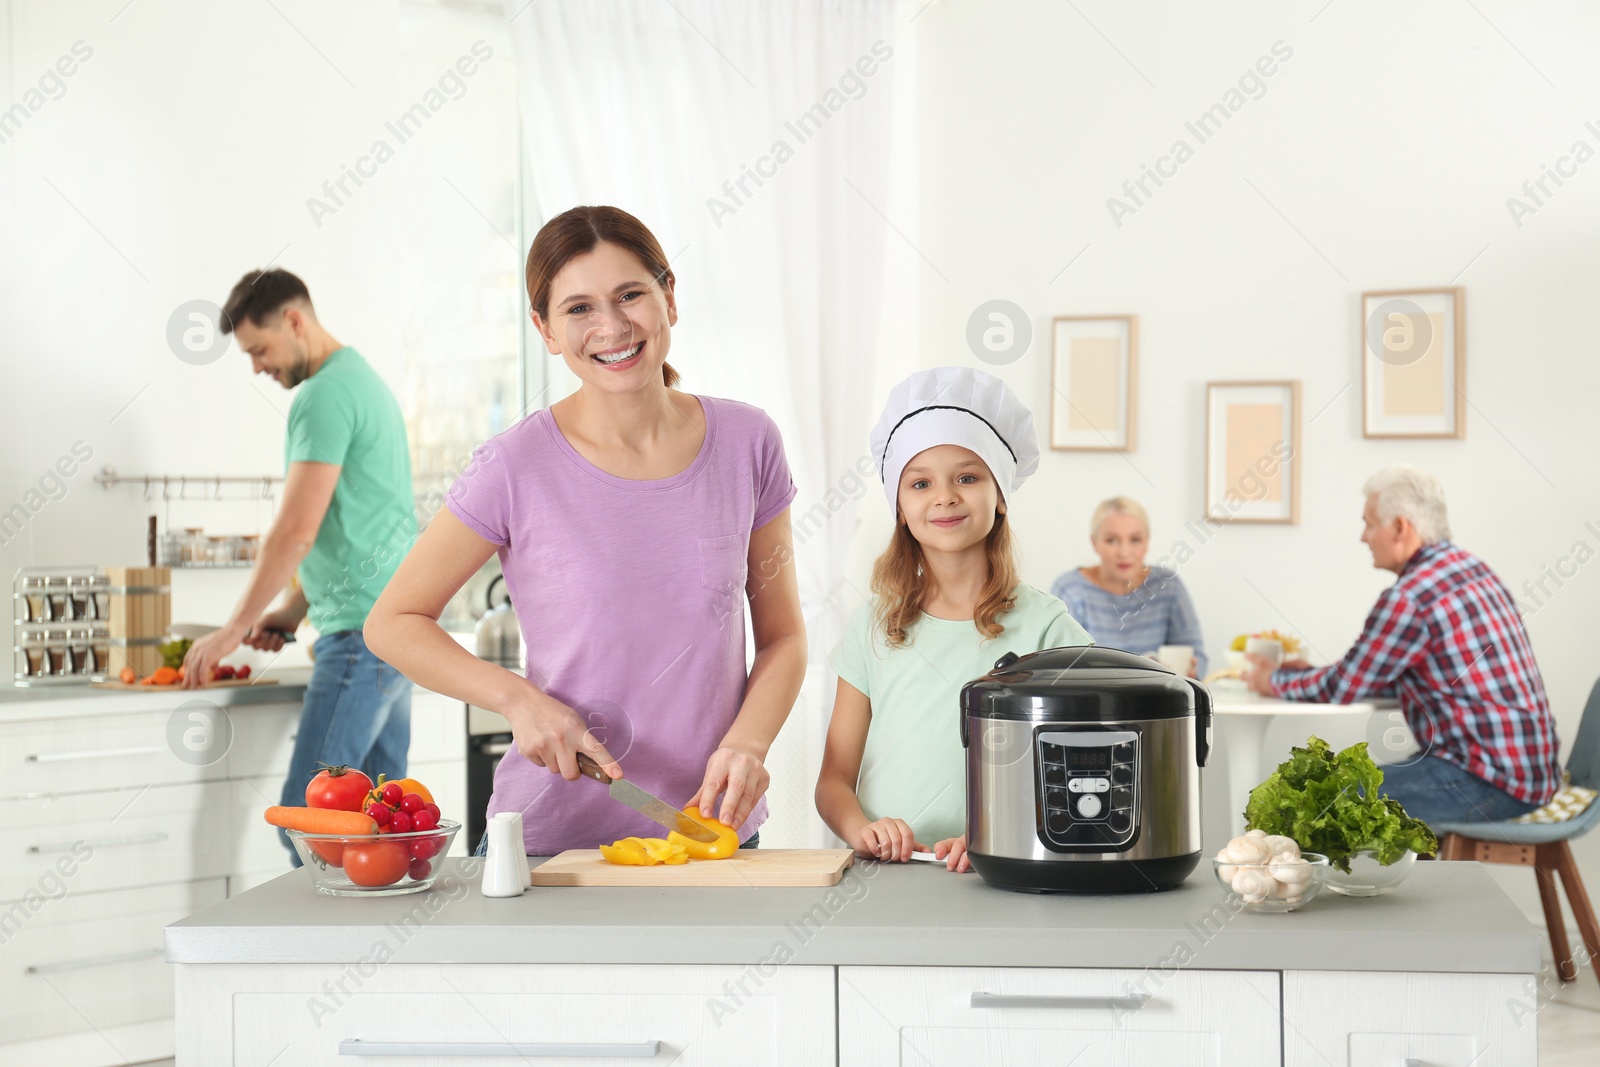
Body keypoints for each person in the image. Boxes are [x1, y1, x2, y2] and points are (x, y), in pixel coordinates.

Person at [365, 206, 806, 855]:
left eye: (631, 294)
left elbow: (784, 637)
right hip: (553, 844)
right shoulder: (514, 465)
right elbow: (393, 621)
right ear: (544, 329)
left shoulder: (749, 443)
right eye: (579, 309)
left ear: (669, 298)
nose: (612, 326)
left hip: (710, 834)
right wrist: (519, 701)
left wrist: (748, 742)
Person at [181, 269, 417, 866]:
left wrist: (232, 629)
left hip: (361, 642)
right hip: (396, 629)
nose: (257, 367)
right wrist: (294, 608)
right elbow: (363, 521)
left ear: (294, 321)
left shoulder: (323, 395)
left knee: (306, 829)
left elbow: (294, 531)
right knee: (382, 828)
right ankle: (378, 957)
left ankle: (329, 962)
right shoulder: (364, 381)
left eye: (258, 350)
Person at [815, 367, 1093, 872]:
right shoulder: (873, 626)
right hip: (889, 872)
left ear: (1001, 495)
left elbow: (1080, 762)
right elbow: (834, 778)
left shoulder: (1047, 627)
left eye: (967, 477)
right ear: (900, 507)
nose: (944, 496)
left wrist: (1003, 831)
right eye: (920, 483)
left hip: (1007, 865)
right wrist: (862, 830)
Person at [1241, 465, 1561, 825]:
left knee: (1321, 802)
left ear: (1399, 528)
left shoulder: (1411, 596)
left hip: (1487, 782)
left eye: (1370, 523)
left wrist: (1273, 681)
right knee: (1347, 788)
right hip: (1531, 775)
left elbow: (1345, 686)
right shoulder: (1472, 569)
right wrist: (1310, 675)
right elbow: (1378, 674)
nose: (1364, 537)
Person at [1050, 497, 1208, 677]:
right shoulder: (1070, 590)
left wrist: (1193, 670)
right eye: (1112, 540)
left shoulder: (1167, 585)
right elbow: (1060, 669)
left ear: (1147, 542)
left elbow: (1197, 657)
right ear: (1095, 543)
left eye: (1135, 540)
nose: (1124, 553)